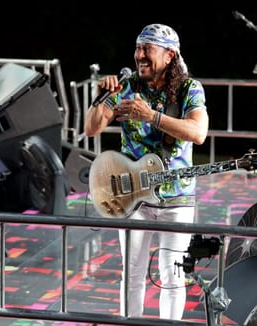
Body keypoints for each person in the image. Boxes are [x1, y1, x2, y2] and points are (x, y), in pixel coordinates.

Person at [84, 24, 209, 320]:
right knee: (132, 273)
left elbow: (198, 132)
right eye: (138, 48)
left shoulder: (189, 88)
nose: (139, 55)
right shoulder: (127, 87)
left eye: (147, 49)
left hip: (177, 198)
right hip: (132, 195)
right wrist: (102, 94)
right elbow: (91, 128)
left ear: (169, 55)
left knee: (173, 277)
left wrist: (151, 116)